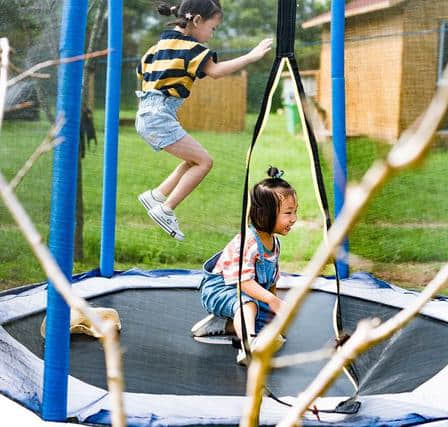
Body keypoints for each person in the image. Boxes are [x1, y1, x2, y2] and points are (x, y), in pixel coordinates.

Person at [136, 0, 273, 241]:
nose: (211, 35)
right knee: (204, 162)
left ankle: (156, 195)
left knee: (193, 159)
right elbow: (217, 72)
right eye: (213, 28)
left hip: (146, 112)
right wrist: (252, 56)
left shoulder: (156, 47)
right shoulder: (192, 49)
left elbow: (141, 71)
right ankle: (166, 209)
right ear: (197, 20)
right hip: (159, 116)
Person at [192, 167, 297, 364]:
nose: (294, 219)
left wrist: (274, 311)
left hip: (247, 292)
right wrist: (273, 302)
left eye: (295, 212)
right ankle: (247, 347)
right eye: (288, 213)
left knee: (268, 317)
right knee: (247, 303)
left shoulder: (274, 243)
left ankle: (227, 324)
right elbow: (244, 283)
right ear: (265, 214)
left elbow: (271, 283)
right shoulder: (248, 242)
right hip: (220, 289)